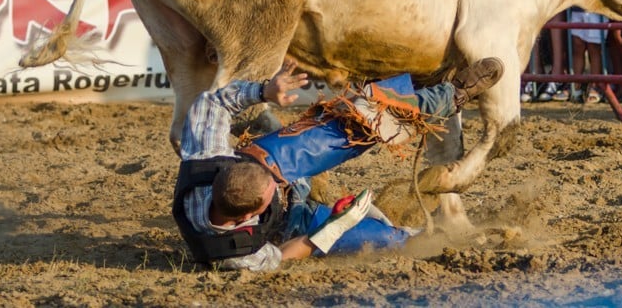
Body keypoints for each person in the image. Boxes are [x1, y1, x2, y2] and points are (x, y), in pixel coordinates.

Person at [174, 58, 505, 271]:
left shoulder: (206, 161)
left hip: (270, 159)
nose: (279, 184)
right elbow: (283, 256)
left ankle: (447, 94)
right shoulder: (235, 254)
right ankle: (446, 237)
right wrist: (337, 225)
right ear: (248, 217)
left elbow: (210, 103)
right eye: (270, 189)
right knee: (395, 241)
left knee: (358, 120)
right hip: (293, 226)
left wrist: (264, 90)